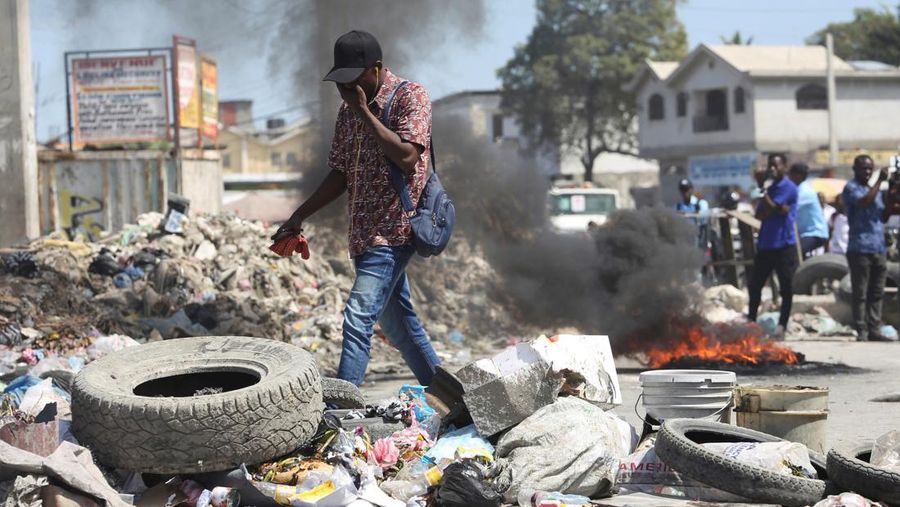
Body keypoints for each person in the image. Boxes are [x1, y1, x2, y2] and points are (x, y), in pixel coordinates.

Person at [271, 30, 440, 384]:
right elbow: (340, 173)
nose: (344, 88)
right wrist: (299, 215)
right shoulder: (348, 112)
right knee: (401, 329)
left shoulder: (411, 97)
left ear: (376, 69)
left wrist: (365, 113)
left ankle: (340, 412)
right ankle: (453, 402)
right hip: (363, 237)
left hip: (394, 231)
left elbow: (409, 158)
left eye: (353, 79)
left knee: (358, 317)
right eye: (339, 80)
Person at [842, 154, 895, 341]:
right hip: (860, 247)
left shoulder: (875, 190)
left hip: (878, 247)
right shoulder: (852, 188)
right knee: (861, 291)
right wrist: (880, 181)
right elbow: (865, 201)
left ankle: (874, 328)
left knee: (877, 291)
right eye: (864, 168)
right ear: (855, 169)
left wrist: (892, 195)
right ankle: (861, 329)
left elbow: (884, 216)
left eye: (870, 169)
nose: (867, 172)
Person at [747, 153, 799, 338]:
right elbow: (761, 214)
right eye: (770, 166)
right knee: (755, 285)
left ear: (785, 167)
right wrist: (768, 200)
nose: (772, 169)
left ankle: (782, 325)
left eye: (776, 166)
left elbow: (775, 208)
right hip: (766, 244)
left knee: (786, 288)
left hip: (783, 245)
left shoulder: (788, 187)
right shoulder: (772, 189)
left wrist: (763, 191)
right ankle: (751, 321)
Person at [788, 163, 829, 258]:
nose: (789, 178)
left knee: (793, 253)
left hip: (815, 234)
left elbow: (788, 209)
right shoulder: (798, 190)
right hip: (804, 234)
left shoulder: (804, 192)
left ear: (798, 176)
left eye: (790, 175)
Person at [674, 178, 710, 249]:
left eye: (687, 189)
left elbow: (704, 218)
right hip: (684, 240)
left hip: (699, 237)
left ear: (691, 189)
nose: (685, 192)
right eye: (683, 190)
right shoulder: (677, 207)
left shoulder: (701, 204)